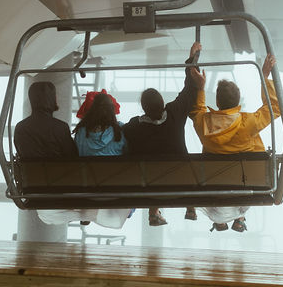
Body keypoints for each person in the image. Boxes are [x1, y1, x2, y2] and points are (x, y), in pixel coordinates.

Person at [188, 54, 281, 232]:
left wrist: (200, 88)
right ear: (238, 102)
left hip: (214, 185)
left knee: (225, 177)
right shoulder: (248, 123)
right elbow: (275, 109)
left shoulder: (203, 123)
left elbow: (197, 110)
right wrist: (265, 77)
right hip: (245, 185)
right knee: (252, 153)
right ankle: (239, 217)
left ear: (217, 102)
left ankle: (225, 220)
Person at [123, 42, 201, 226]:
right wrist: (192, 59)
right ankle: (190, 205)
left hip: (151, 185)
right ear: (162, 102)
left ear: (144, 108)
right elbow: (190, 89)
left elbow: (120, 135)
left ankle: (154, 211)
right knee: (181, 168)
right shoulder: (175, 112)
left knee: (154, 173)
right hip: (182, 179)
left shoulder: (135, 126)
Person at [38, 90, 132, 230]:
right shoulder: (120, 131)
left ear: (93, 111)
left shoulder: (81, 133)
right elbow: (128, 155)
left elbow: (78, 156)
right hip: (114, 192)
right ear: (112, 111)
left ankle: (90, 213)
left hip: (88, 191)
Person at [13, 81, 78, 159]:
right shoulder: (61, 127)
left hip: (29, 171)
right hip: (58, 171)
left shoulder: (20, 128)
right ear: (52, 99)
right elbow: (72, 157)